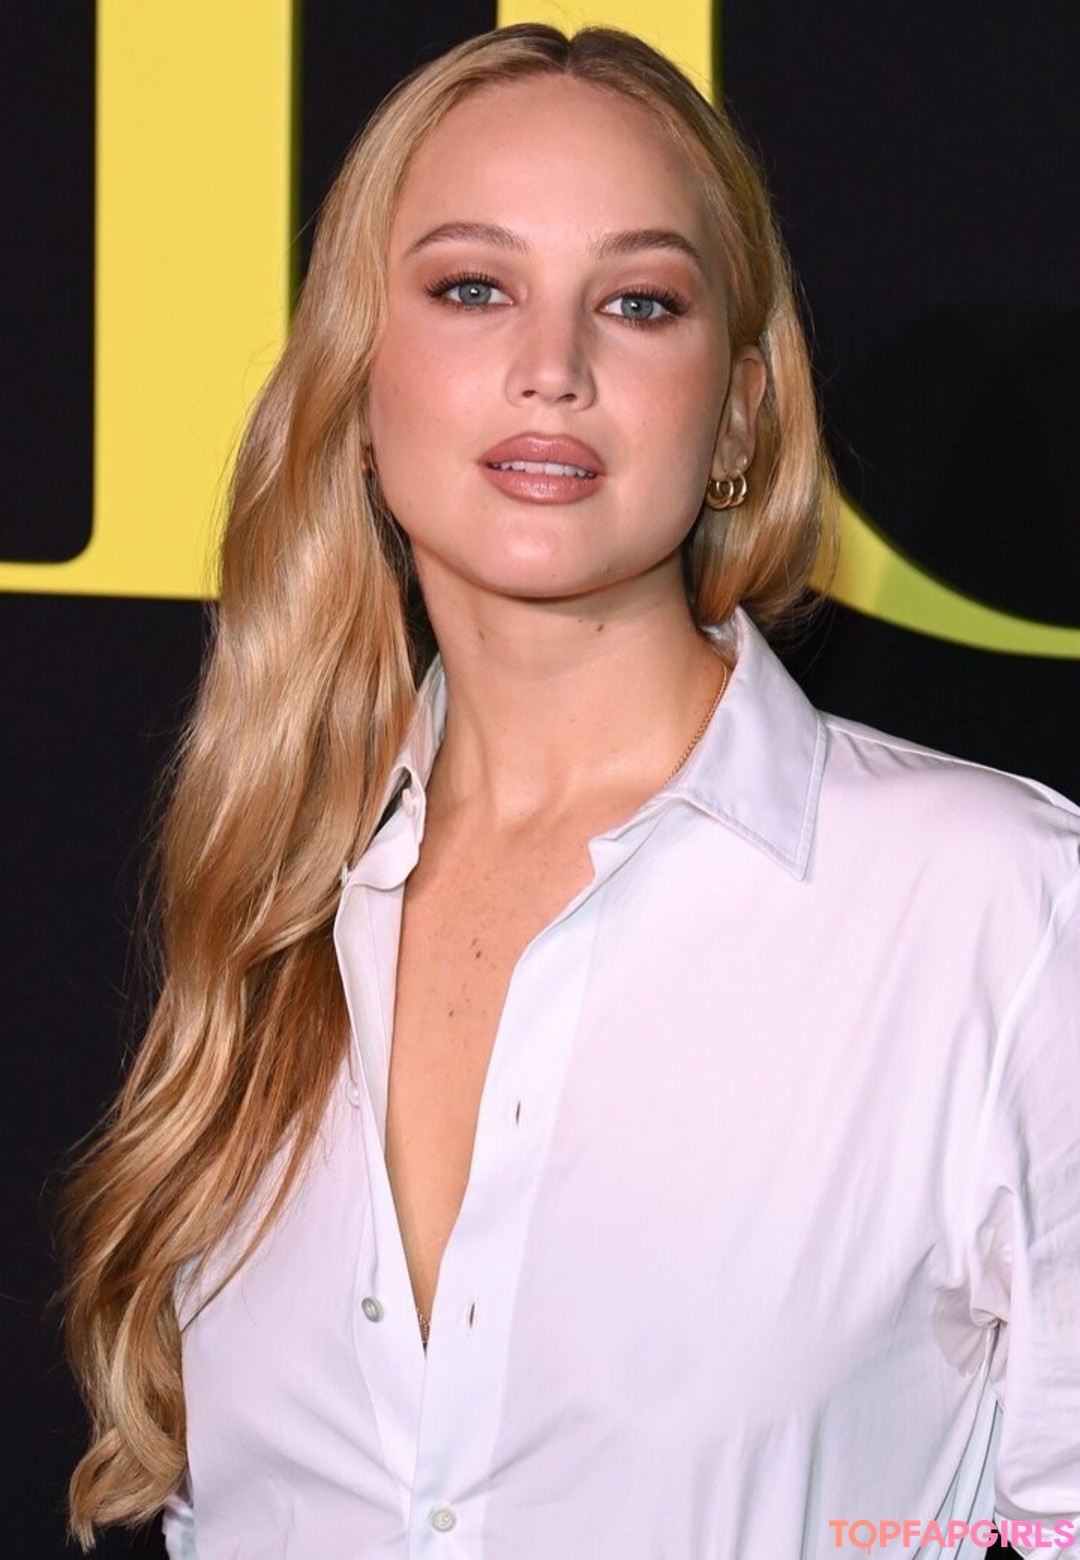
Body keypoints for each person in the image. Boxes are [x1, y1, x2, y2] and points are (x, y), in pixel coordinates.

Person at [60, 22, 1080, 1560]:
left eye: (639, 302)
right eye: (474, 289)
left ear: (738, 412)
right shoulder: (280, 920)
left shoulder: (995, 910)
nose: (553, 367)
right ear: (358, 377)